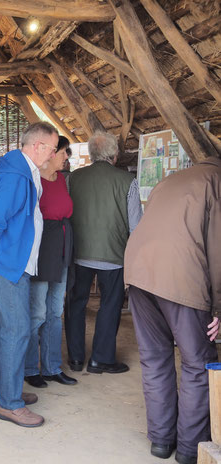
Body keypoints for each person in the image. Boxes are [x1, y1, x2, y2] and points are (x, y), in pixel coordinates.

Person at [124, 157, 220, 464]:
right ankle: (191, 449)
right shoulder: (216, 182)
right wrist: (218, 307)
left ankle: (161, 441)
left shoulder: (171, 180)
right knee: (199, 363)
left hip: (138, 273)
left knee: (154, 358)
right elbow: (218, 250)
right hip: (180, 277)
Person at [0, 121, 59, 428]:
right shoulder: (15, 176)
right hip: (9, 262)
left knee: (5, 328)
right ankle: (10, 403)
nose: (53, 154)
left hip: (12, 259)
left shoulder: (18, 171)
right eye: (51, 148)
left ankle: (2, 390)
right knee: (18, 329)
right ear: (38, 146)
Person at [65, 131, 142, 374]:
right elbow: (135, 225)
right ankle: (101, 359)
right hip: (114, 254)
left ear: (91, 153)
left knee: (76, 303)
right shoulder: (127, 181)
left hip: (79, 251)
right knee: (110, 304)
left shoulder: (73, 178)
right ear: (114, 154)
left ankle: (76, 358)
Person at [24, 136, 77, 389]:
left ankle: (52, 367)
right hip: (43, 249)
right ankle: (29, 368)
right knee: (37, 313)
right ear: (53, 153)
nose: (67, 157)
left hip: (62, 248)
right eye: (65, 152)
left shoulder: (63, 181)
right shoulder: (35, 180)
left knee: (56, 312)